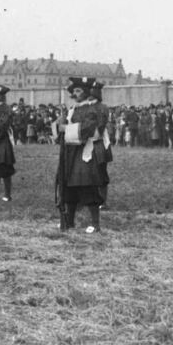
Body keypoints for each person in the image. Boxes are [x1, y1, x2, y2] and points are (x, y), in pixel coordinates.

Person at [57, 77, 111, 233]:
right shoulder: (73, 109)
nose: (75, 93)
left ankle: (95, 223)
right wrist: (59, 124)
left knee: (87, 185)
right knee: (69, 186)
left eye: (78, 90)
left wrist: (65, 129)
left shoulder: (91, 110)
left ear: (87, 92)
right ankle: (69, 221)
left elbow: (87, 130)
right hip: (71, 153)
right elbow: (62, 129)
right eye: (74, 90)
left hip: (84, 151)